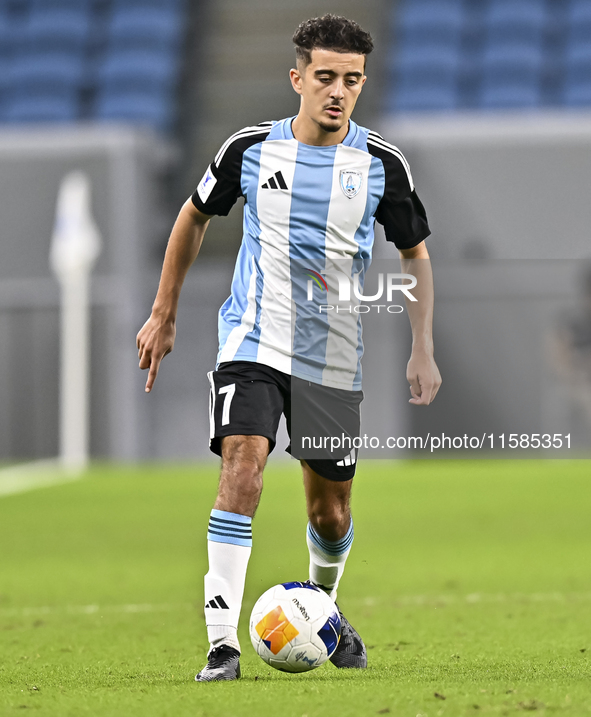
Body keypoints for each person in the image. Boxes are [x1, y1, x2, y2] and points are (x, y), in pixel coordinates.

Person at [136, 14, 441, 682]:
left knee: (328, 511)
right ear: (297, 78)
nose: (337, 91)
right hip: (251, 340)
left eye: (351, 80)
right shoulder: (248, 150)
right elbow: (193, 215)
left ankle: (322, 608)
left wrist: (421, 346)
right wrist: (164, 311)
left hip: (332, 358)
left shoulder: (381, 164)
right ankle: (222, 646)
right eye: (325, 77)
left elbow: (414, 255)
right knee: (241, 470)